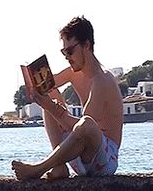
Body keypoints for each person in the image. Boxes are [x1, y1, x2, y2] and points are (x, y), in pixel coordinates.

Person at [12, 16, 123, 180]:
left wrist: (52, 108)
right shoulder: (73, 73)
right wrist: (36, 88)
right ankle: (59, 167)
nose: (67, 57)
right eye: (64, 53)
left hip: (105, 160)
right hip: (78, 154)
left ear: (87, 45)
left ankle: (39, 168)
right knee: (49, 91)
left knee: (86, 123)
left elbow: (84, 129)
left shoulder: (103, 80)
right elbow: (46, 85)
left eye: (70, 51)